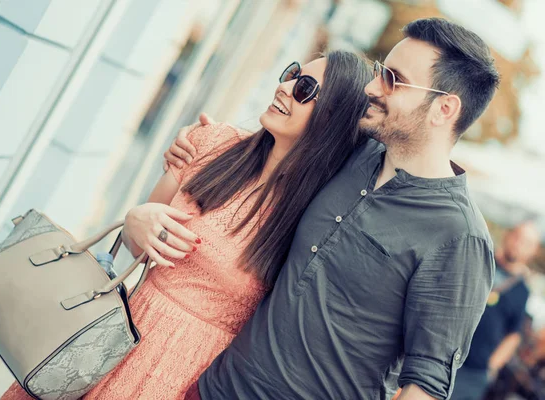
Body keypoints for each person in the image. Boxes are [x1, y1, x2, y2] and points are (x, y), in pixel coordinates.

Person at [0, 51, 372, 399]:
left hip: (196, 377)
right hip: (115, 339)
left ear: (332, 118)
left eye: (305, 89)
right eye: (293, 74)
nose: (285, 87)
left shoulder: (320, 215)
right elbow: (139, 250)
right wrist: (135, 219)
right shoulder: (211, 142)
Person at [164, 18, 500, 399]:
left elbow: (426, 382)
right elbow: (282, 143)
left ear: (443, 109)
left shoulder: (460, 237)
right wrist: (199, 147)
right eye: (379, 71)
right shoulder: (352, 152)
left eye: (393, 78)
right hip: (214, 388)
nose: (373, 87)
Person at [451, 221, 541, 400]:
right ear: (508, 235)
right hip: (443, 353)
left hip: (474, 373)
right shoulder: (481, 261)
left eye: (526, 243)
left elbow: (514, 335)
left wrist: (491, 367)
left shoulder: (522, 291)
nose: (518, 244)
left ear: (532, 252)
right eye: (517, 236)